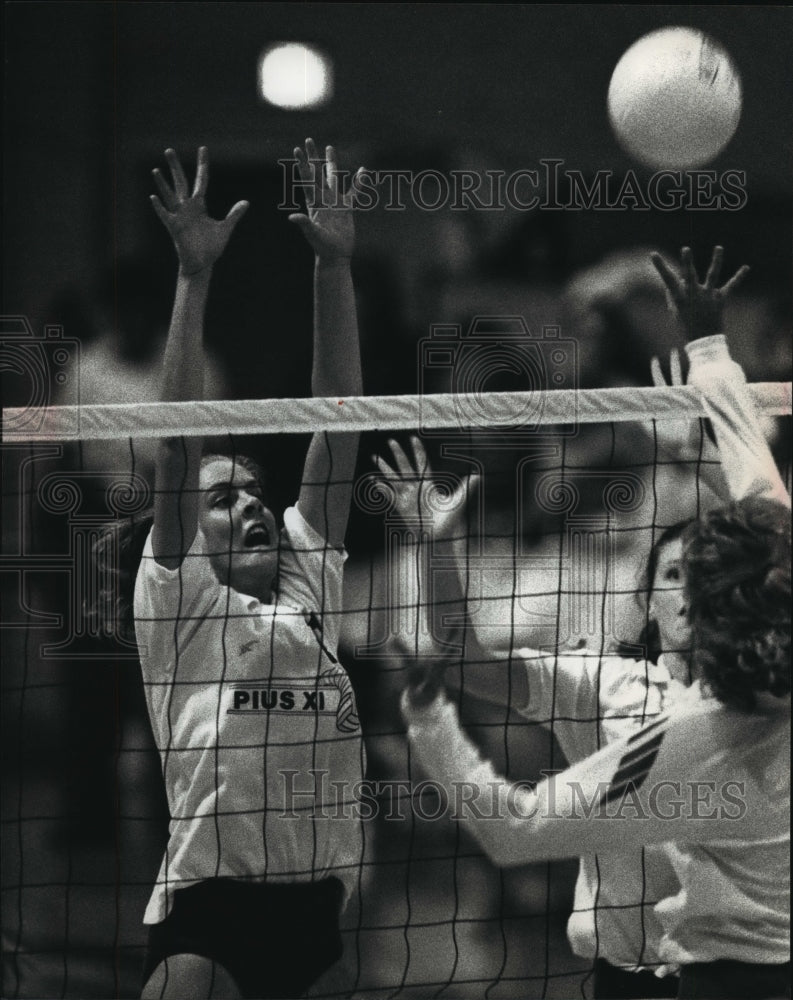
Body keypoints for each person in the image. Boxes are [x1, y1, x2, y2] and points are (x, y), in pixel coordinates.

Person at [395, 247, 790, 999]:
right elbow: (752, 473)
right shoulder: (621, 676)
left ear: (704, 611)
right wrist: (706, 345)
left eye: (690, 576)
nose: (678, 589)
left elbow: (514, 829)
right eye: (666, 573)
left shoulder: (695, 734)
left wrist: (425, 720)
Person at [114, 141, 367, 999]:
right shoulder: (179, 600)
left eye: (256, 492)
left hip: (317, 919)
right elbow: (180, 444)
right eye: (225, 500)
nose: (252, 505)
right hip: (210, 915)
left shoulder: (307, 587)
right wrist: (194, 276)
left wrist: (333, 267)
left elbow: (340, 423)